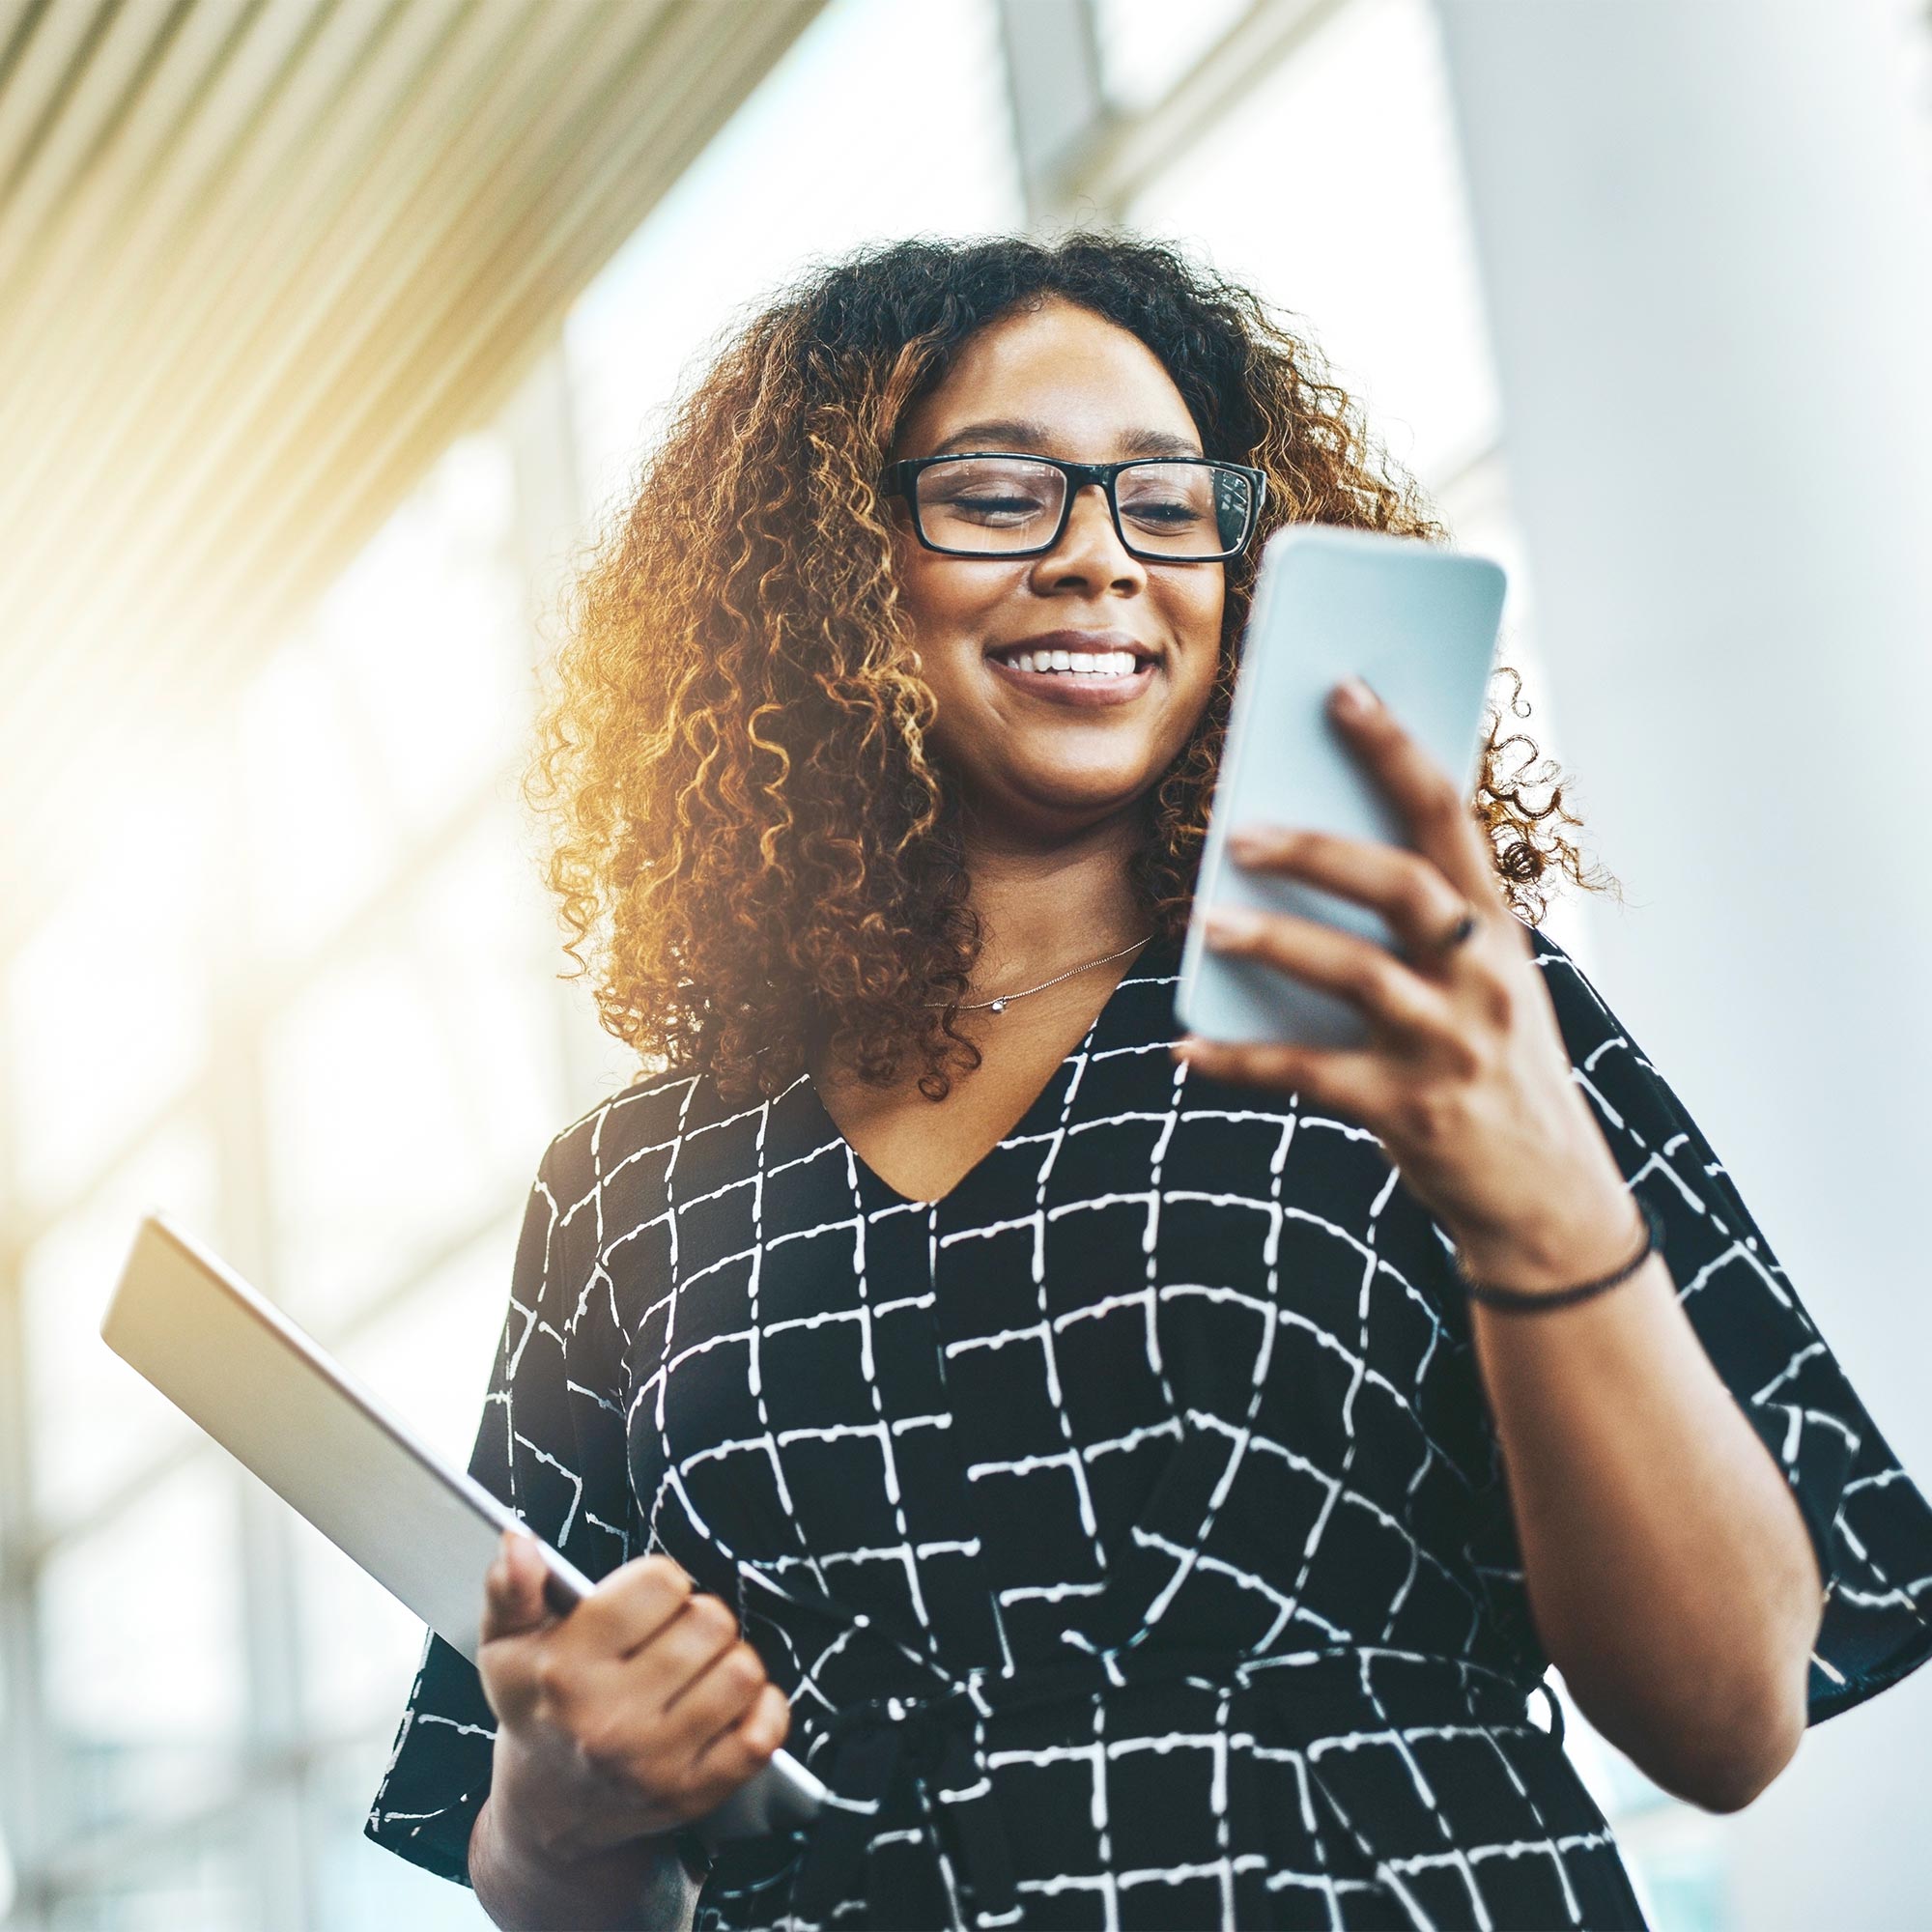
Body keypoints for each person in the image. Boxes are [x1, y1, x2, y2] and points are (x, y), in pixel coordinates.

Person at [364, 234, 1932, 1932]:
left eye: (1170, 505)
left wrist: (1532, 1182)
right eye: (996, 493)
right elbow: (533, 1868)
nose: (1102, 559)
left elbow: (1729, 1717)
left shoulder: (1424, 1014)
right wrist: (555, 1809)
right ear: (831, 567)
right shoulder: (628, 1191)